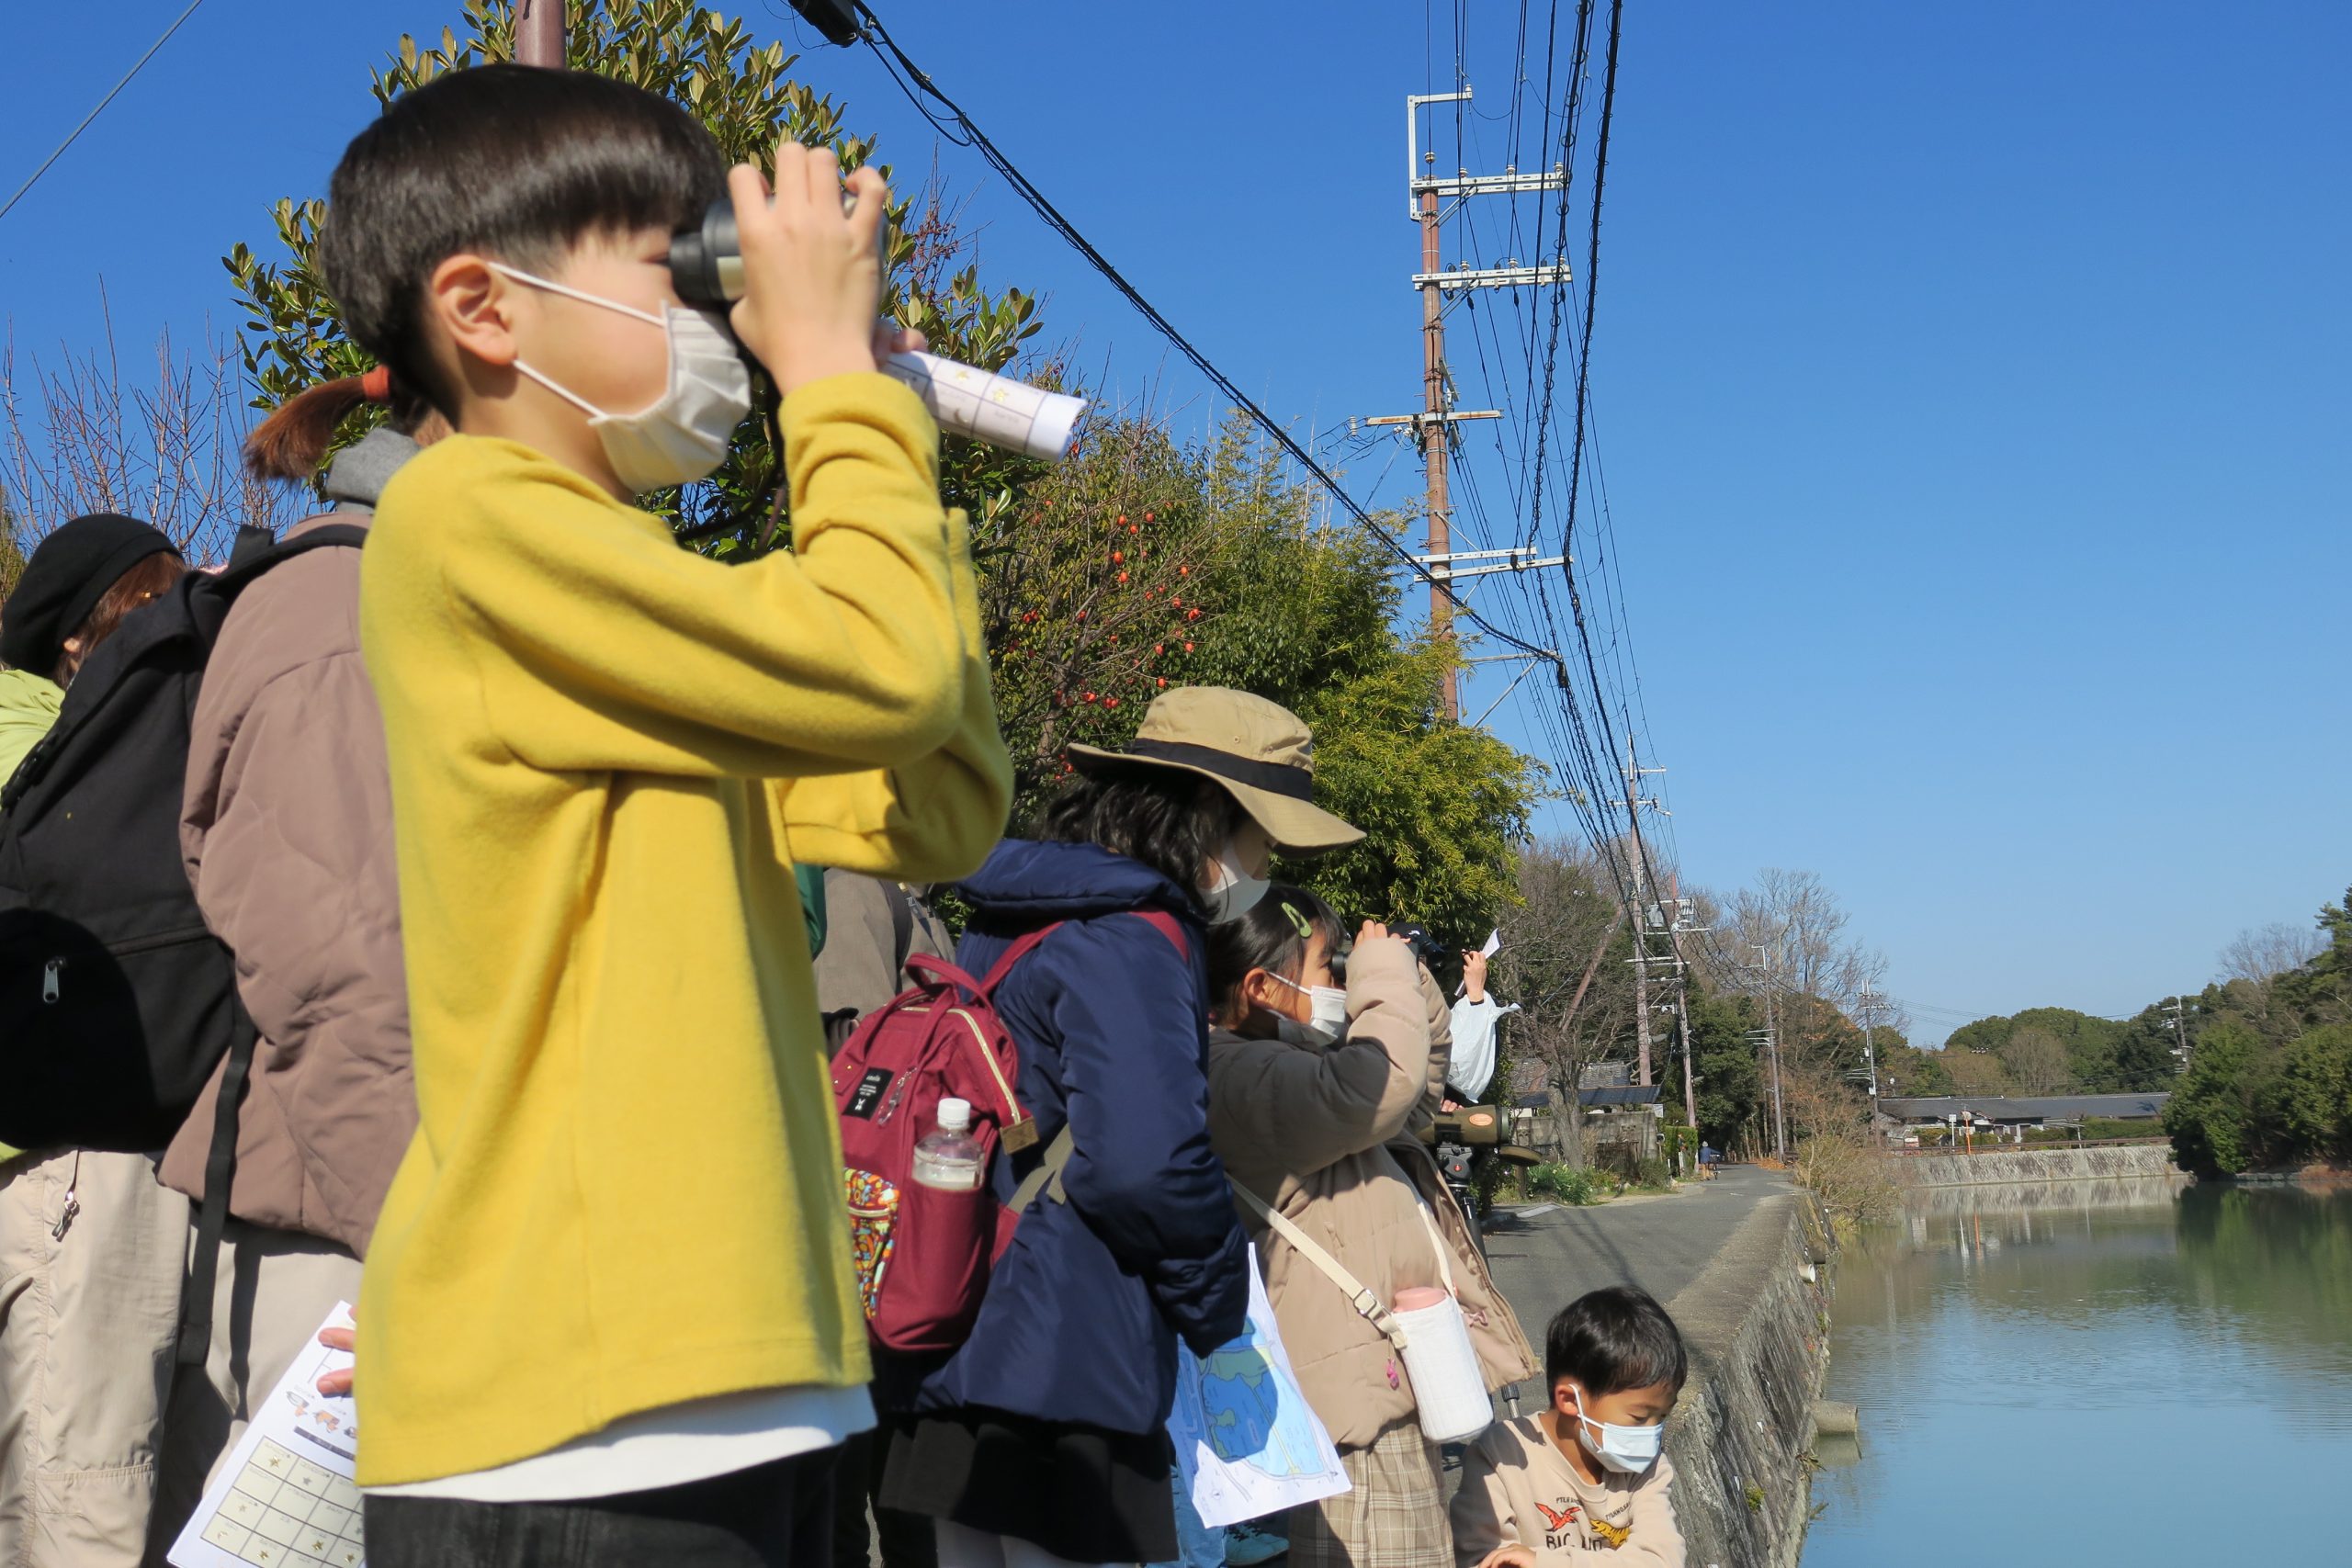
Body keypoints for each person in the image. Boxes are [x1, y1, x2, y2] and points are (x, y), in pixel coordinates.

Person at [316, 63, 1012, 1565]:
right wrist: (826, 388)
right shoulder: (462, 522)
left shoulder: (632, 611)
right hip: (588, 1414)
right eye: (684, 275)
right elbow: (880, 669)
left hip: (755, 1383)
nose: (726, 326)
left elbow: (937, 801)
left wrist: (879, 424)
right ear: (486, 311)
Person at [882, 687, 1348, 1568]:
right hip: (1065, 1351)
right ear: (1214, 814)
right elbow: (1144, 1163)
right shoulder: (1138, 933)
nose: (1265, 859)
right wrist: (1219, 1314)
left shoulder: (1011, 911)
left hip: (961, 1317)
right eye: (1264, 835)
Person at [141, 373, 443, 1552]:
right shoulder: (349, 609)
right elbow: (347, 978)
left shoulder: (437, 590)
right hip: (355, 1237)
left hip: (410, 1229)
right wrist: (435, 1266)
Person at [1205, 886, 1538, 1568]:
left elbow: (1415, 1082)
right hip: (1346, 1422)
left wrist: (1405, 972)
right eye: (1330, 968)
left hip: (1385, 1384)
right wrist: (1380, 974)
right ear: (1261, 987)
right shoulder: (1231, 1070)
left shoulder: (1296, 1068)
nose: (1342, 984)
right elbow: (1380, 1088)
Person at [0, 516, 197, 1568]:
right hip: (184, 1146)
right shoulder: (191, 706)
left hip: (64, 1158)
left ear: (76, 635)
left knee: (68, 1489)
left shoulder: (64, 736)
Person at [817, 870, 949, 1568]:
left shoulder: (907, 895)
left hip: (897, 1232)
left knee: (904, 1493)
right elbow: (857, 1047)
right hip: (865, 1231)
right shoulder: (855, 885)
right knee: (852, 1497)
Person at [1449, 1287, 1688, 1567]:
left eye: (1661, 1417)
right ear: (1569, 1400)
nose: (1653, 1433)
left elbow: (1662, 1559)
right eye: (1639, 1417)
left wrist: (1542, 1562)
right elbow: (1487, 1559)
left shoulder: (1647, 1468)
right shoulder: (1501, 1458)